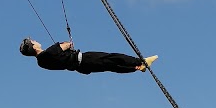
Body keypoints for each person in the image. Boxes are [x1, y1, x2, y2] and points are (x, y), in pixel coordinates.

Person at [19, 38, 158, 75]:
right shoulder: (49, 52)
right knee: (113, 58)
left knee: (111, 66)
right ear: (34, 46)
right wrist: (67, 45)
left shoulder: (41, 63)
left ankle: (137, 67)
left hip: (81, 67)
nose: (35, 41)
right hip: (84, 59)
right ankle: (141, 62)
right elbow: (67, 44)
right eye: (33, 41)